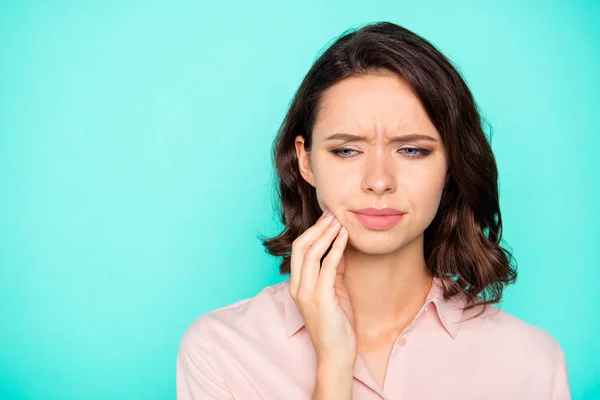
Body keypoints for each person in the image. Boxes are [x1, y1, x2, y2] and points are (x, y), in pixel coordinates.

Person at [176, 21, 571, 399]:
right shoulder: (221, 350)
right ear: (307, 161)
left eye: (412, 150)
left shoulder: (529, 362)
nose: (379, 181)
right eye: (346, 150)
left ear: (451, 165)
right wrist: (333, 367)